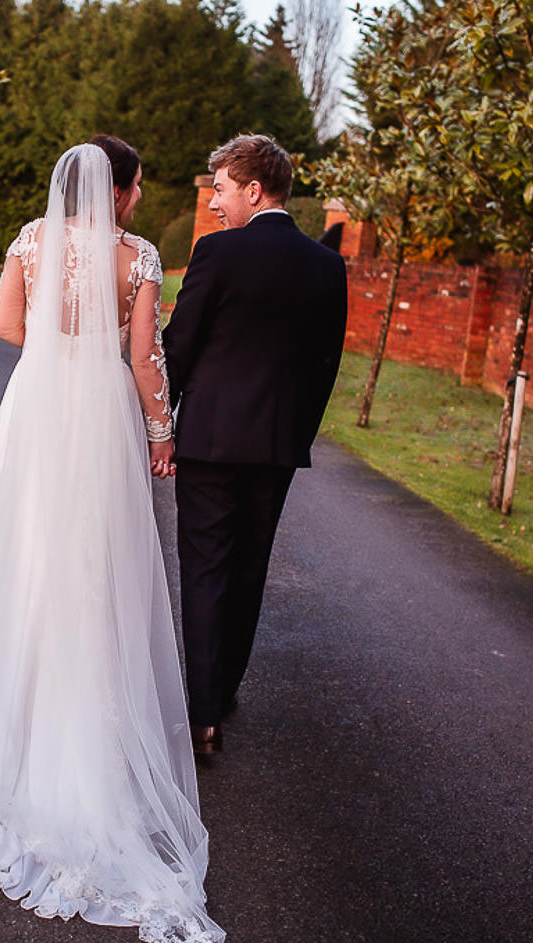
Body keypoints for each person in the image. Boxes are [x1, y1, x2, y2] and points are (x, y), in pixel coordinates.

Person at [0, 139, 224, 943]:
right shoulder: (138, 257)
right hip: (98, 408)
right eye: (135, 186)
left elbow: (2, 325)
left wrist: (51, 356)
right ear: (126, 191)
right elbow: (144, 357)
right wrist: (162, 432)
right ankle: (82, 738)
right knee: (93, 569)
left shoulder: (31, 240)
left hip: (37, 404)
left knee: (13, 555)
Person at [163, 134, 348, 757]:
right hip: (276, 447)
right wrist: (296, 434)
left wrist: (160, 422)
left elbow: (178, 348)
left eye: (220, 189)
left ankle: (204, 710)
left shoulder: (216, 254)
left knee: (206, 566)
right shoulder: (327, 264)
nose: (214, 203)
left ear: (252, 189)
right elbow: (327, 365)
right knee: (248, 569)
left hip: (210, 442)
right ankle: (223, 692)